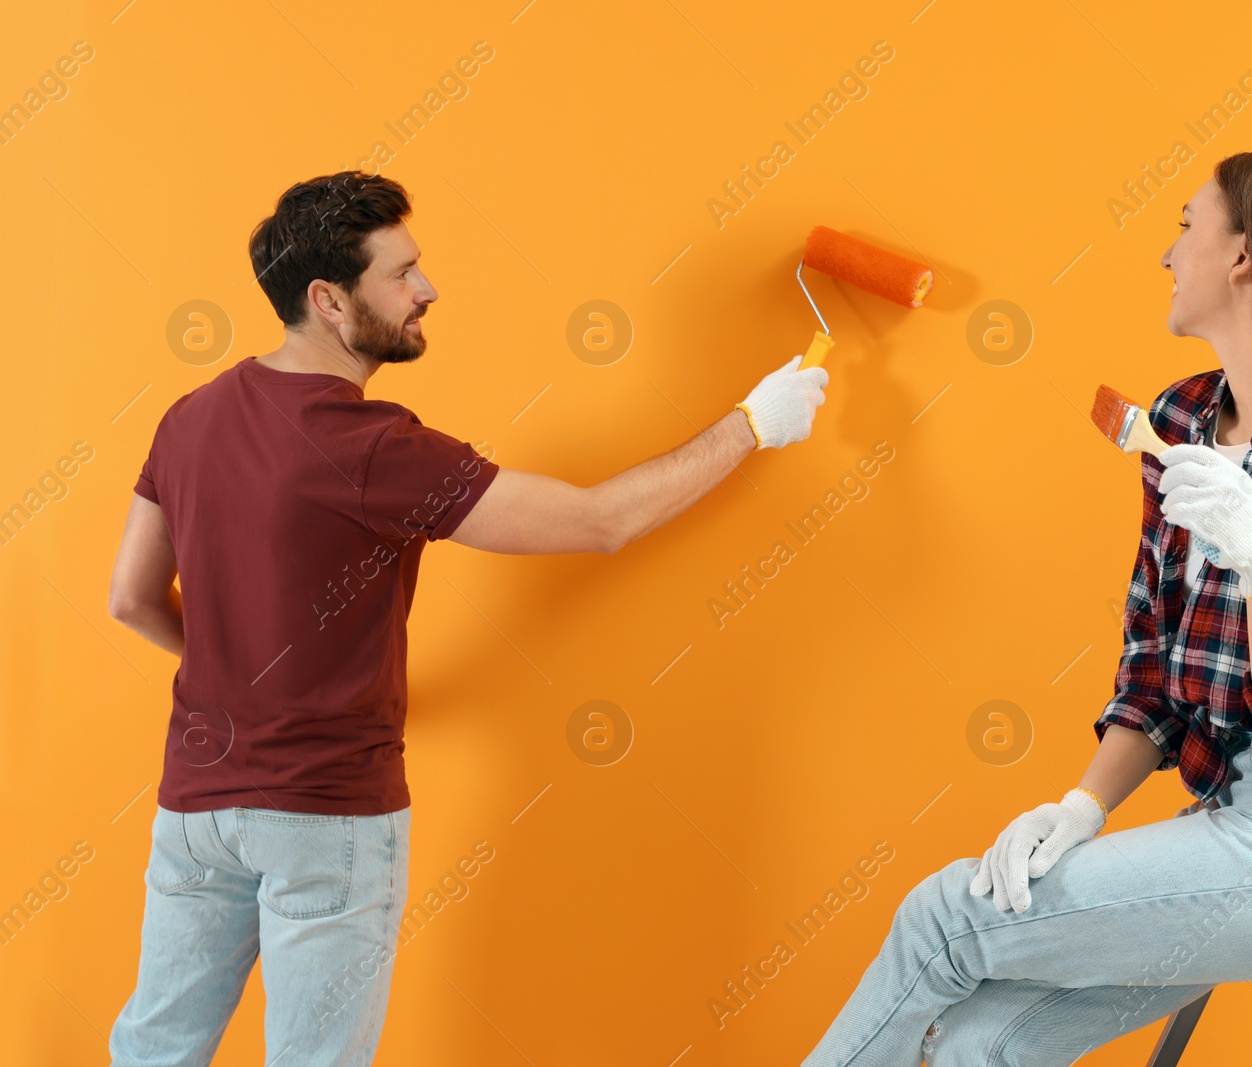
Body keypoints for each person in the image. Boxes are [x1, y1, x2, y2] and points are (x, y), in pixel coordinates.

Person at [800, 147, 1252, 1066]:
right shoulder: (1178, 423)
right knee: (973, 1046)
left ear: (1243, 257)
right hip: (1232, 812)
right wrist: (1082, 805)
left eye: (1186, 225)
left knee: (944, 919)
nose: (1166, 253)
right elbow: (1154, 660)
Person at [104, 169, 828, 1066]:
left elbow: (130, 599)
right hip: (325, 819)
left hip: (195, 809)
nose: (427, 289)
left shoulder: (190, 418)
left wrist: (248, 675)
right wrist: (753, 423)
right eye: (401, 274)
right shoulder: (373, 447)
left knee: (154, 1047)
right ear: (329, 300)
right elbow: (600, 523)